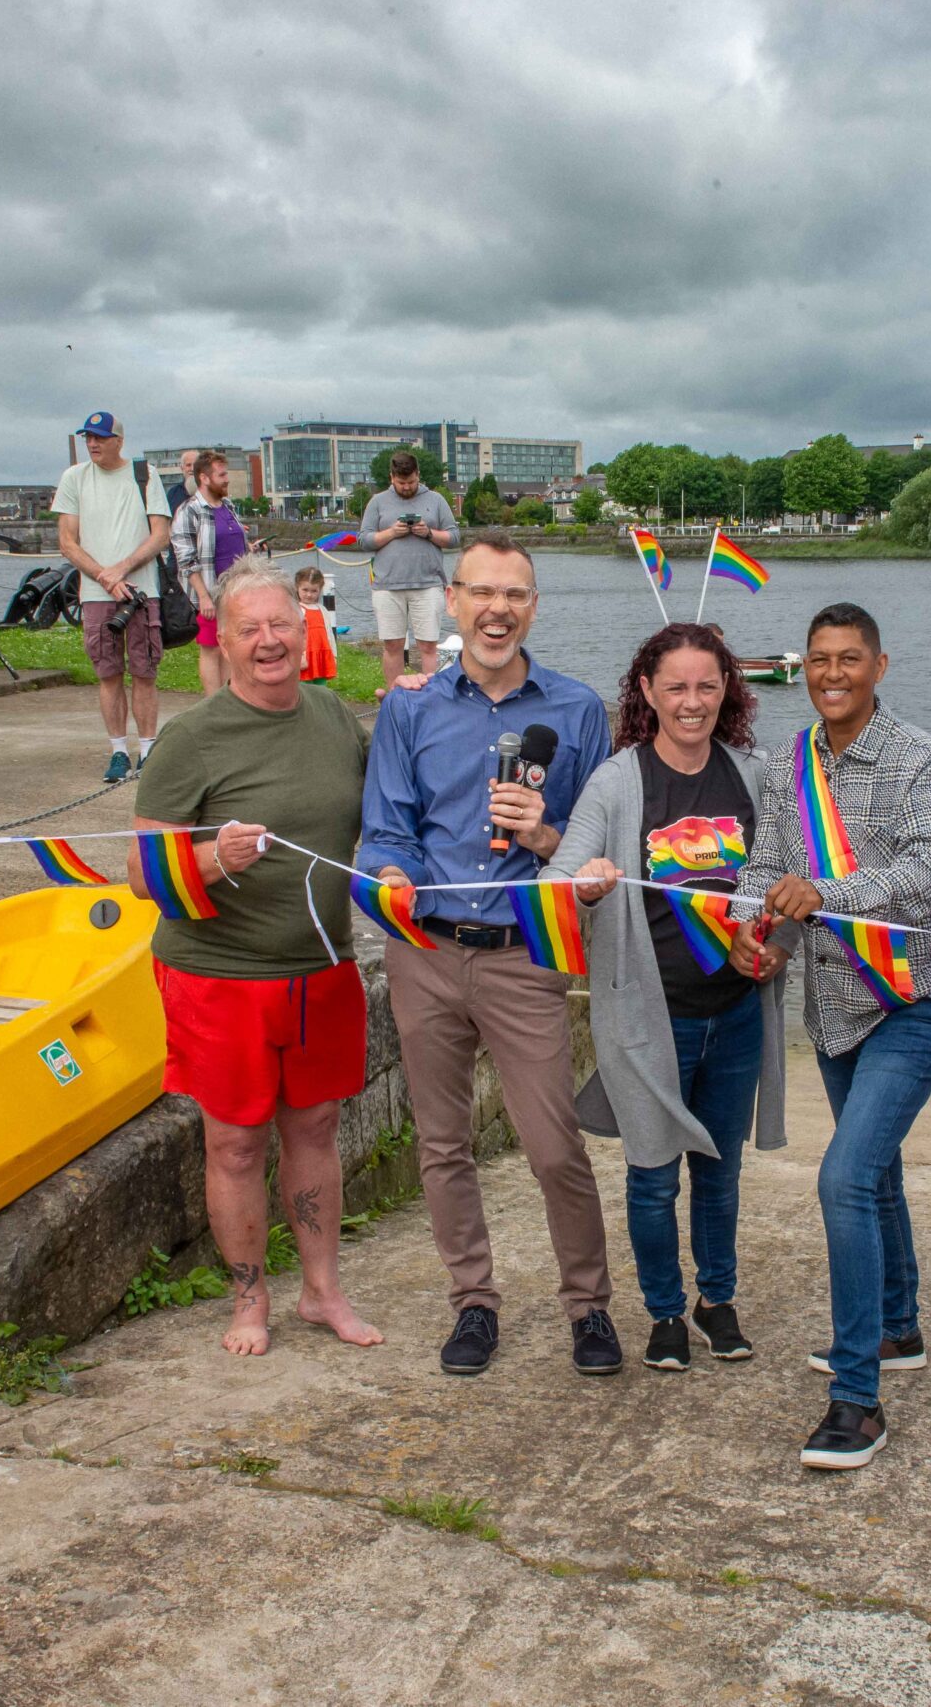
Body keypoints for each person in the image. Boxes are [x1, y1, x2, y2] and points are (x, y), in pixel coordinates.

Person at [357, 537, 619, 1378]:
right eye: (482, 592)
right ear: (452, 600)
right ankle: (472, 1302)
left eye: (516, 593)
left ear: (534, 607)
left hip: (522, 956)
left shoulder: (577, 711)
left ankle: (588, 1307)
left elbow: (594, 842)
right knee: (442, 1143)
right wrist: (389, 870)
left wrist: (543, 832)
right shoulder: (410, 706)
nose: (498, 608)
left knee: (553, 1146)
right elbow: (388, 823)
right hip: (425, 951)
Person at [731, 603, 931, 1472]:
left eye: (849, 660)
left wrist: (822, 893)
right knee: (876, 1174)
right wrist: (751, 924)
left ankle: (858, 1396)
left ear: (879, 664)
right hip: (834, 1007)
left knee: (845, 1177)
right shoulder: (784, 766)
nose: (832, 675)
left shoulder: (919, 757)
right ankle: (899, 1324)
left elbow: (928, 874)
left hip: (914, 1001)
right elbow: (763, 868)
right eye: (819, 661)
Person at [132, 564, 382, 1357]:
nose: (270, 640)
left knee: (316, 1126)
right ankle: (248, 1299)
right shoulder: (191, 739)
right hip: (219, 972)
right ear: (227, 643)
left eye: (282, 624)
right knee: (235, 1141)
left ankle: (322, 1291)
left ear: (303, 631)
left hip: (320, 966)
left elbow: (395, 804)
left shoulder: (336, 718)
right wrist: (209, 858)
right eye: (251, 629)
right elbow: (141, 875)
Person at [548, 623, 787, 1372]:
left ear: (728, 691)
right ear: (646, 691)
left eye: (707, 686)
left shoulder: (754, 775)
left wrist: (773, 944)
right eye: (676, 686)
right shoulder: (617, 782)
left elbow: (788, 883)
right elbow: (556, 879)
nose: (692, 702)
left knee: (719, 1173)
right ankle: (662, 1312)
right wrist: (584, 883)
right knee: (652, 1177)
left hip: (737, 1014)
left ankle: (717, 1300)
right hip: (649, 1018)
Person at [53, 411, 173, 782]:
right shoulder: (74, 478)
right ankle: (119, 751)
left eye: (101, 437)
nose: (93, 443)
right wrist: (105, 579)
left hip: (141, 590)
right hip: (96, 593)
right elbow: (67, 541)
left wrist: (122, 569)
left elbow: (160, 535)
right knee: (108, 672)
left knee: (144, 671)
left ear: (119, 441)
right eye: (89, 437)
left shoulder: (144, 474)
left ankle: (149, 750)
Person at [171, 451, 265, 700]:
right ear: (204, 477)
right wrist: (203, 596)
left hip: (236, 593)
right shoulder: (189, 511)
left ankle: (233, 696)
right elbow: (186, 559)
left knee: (233, 647)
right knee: (211, 647)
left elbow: (233, 544)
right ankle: (214, 701)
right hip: (211, 593)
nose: (226, 480)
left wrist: (251, 549)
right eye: (221, 475)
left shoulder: (228, 506)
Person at [360, 452, 457, 680]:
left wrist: (429, 533)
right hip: (387, 585)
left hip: (428, 584)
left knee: (428, 646)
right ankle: (395, 700)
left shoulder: (436, 500)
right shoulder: (377, 502)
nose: (406, 487)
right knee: (393, 646)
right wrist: (392, 533)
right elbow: (363, 540)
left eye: (411, 482)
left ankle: (431, 701)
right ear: (391, 477)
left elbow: (454, 537)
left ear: (418, 475)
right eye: (402, 483)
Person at [294, 565, 338, 682]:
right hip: (305, 656)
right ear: (297, 587)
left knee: (321, 687)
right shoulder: (295, 609)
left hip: (321, 655)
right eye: (305, 590)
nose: (309, 594)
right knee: (304, 687)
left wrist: (334, 655)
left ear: (320, 590)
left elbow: (329, 635)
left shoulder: (322, 610)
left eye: (314, 591)